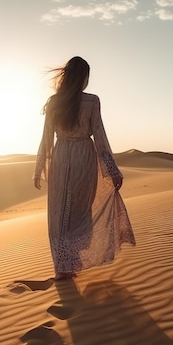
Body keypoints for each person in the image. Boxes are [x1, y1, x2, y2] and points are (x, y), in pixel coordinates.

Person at [33, 56, 135, 280]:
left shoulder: (54, 101)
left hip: (61, 157)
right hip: (83, 157)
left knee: (59, 213)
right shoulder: (92, 101)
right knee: (80, 211)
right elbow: (99, 136)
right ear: (84, 77)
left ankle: (63, 266)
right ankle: (71, 260)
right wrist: (112, 170)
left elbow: (46, 139)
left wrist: (39, 167)